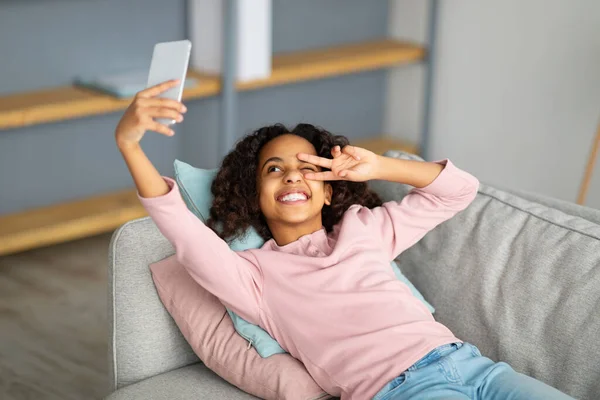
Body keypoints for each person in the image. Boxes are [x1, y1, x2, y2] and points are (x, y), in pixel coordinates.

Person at [114, 79, 575, 400]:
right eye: (274, 169)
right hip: (401, 389)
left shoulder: (365, 229)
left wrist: (378, 166)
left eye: (308, 166)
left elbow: (459, 190)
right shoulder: (253, 277)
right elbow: (182, 231)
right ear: (254, 196)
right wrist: (131, 146)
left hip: (478, 368)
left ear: (329, 186)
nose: (293, 174)